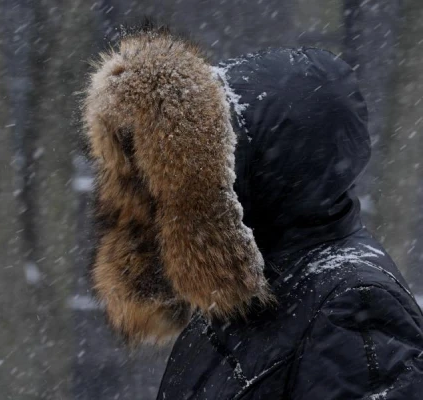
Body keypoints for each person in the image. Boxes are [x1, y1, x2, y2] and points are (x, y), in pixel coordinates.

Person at [83, 26, 423, 399]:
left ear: (264, 165)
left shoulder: (355, 304)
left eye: (204, 155)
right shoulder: (245, 294)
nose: (180, 182)